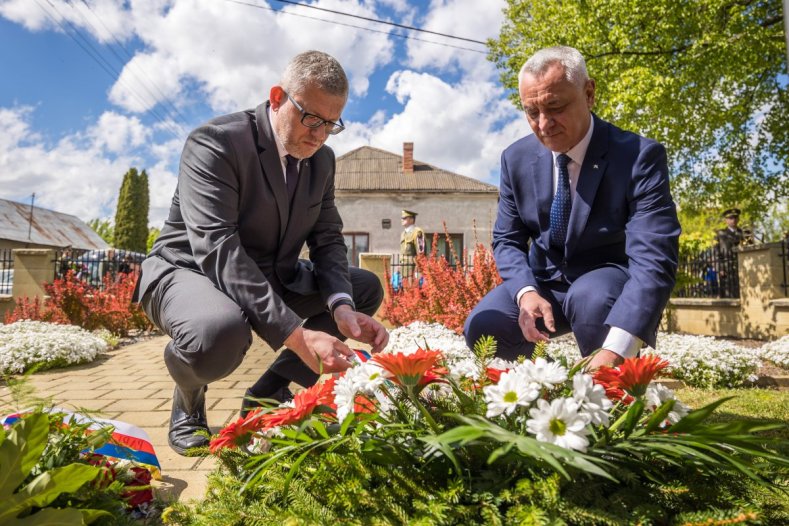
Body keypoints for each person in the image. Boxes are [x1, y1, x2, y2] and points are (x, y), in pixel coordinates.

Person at [133, 51, 389, 455]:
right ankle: (188, 393)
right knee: (218, 334)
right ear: (276, 97)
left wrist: (340, 308)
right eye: (311, 118)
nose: (320, 135)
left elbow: (327, 237)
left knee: (363, 289)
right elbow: (216, 246)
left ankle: (267, 392)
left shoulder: (321, 160)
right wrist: (299, 337)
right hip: (191, 271)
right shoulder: (216, 142)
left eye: (331, 124)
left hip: (272, 273)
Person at [464, 46, 681, 371]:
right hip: (544, 284)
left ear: (589, 93)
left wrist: (617, 348)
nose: (543, 124)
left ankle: (611, 393)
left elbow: (654, 258)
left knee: (590, 297)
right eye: (531, 111)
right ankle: (550, 389)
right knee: (483, 325)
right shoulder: (515, 159)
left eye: (555, 107)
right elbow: (507, 240)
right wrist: (525, 292)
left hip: (605, 283)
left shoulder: (639, 157)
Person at [399, 209, 425, 278]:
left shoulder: (417, 232)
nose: (402, 220)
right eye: (401, 218)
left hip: (412, 268)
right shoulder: (403, 233)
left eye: (404, 218)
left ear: (411, 219)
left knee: (412, 288)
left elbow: (421, 252)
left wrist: (418, 269)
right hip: (403, 268)